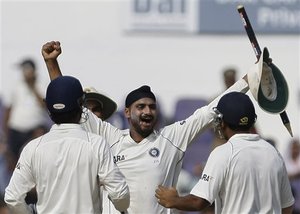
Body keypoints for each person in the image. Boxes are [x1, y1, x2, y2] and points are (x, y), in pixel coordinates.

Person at [42, 40, 250, 213]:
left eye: (152, 107)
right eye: (140, 106)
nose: (147, 111)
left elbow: (210, 111)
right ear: (127, 112)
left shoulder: (171, 138)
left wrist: (250, 79)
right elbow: (67, 101)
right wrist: (52, 64)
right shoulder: (110, 136)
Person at [4, 76, 130, 214]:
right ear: (81, 105)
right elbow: (120, 194)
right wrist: (121, 207)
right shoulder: (96, 144)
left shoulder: (32, 148)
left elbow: (12, 198)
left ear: (48, 107)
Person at [155, 92, 295, 213]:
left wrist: (174, 200)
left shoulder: (223, 153)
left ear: (222, 122)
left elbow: (199, 202)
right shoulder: (273, 153)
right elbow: (287, 207)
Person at [2, 58, 49, 161]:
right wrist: (6, 134)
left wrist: (32, 86)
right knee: (14, 160)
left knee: (36, 158)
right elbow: (8, 110)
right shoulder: (16, 86)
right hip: (16, 129)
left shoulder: (42, 84)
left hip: (35, 130)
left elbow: (44, 105)